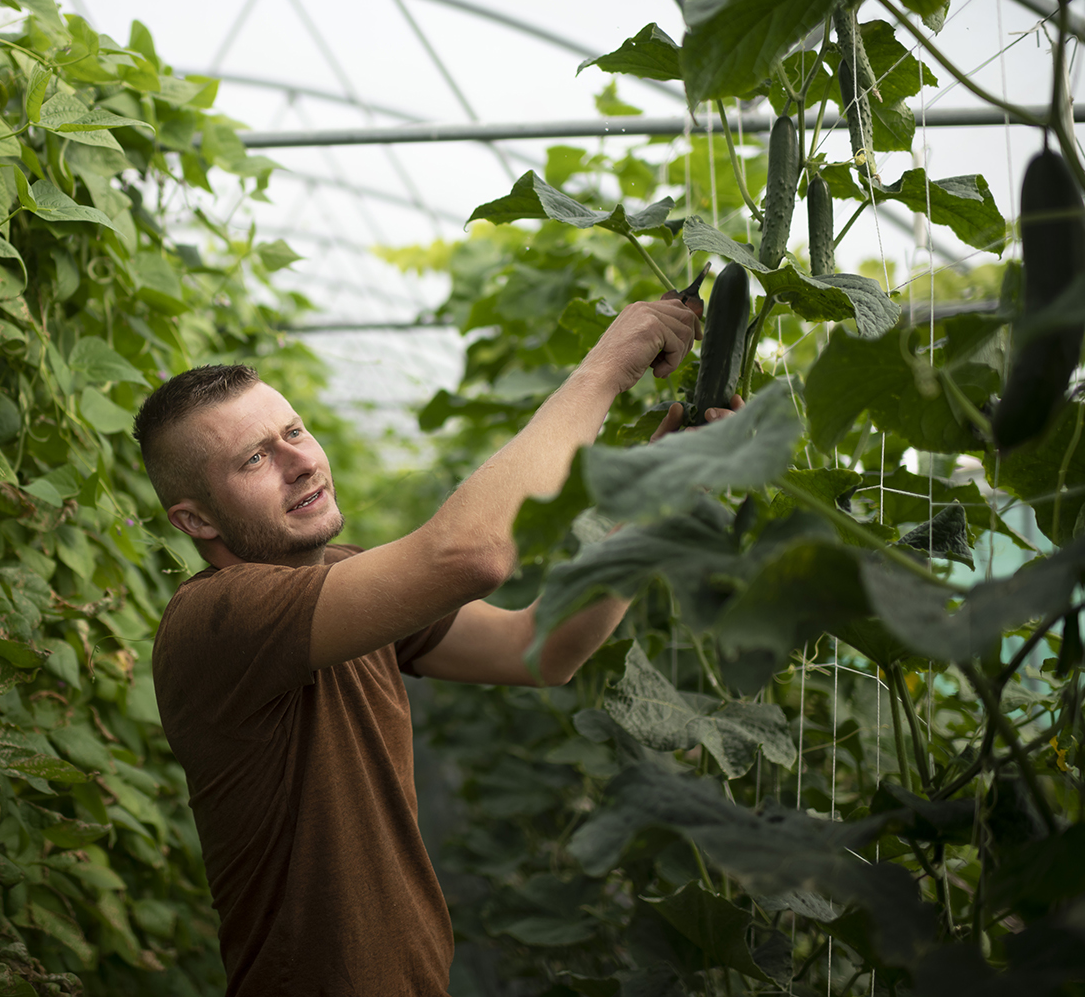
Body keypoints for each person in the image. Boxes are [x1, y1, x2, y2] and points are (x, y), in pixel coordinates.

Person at [131, 294, 725, 996]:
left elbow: (537, 647)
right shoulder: (216, 620)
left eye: (295, 430)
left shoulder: (344, 582)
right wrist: (603, 370)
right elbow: (470, 553)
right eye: (256, 457)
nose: (298, 462)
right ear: (195, 518)